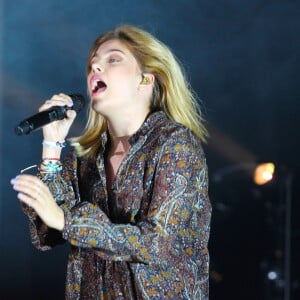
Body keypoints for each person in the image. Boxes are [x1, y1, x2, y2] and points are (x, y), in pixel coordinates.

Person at [11, 24, 211, 299]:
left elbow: (157, 243)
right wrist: (52, 145)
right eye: (92, 65)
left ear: (146, 78)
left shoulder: (175, 144)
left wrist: (66, 220)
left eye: (113, 60)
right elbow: (48, 234)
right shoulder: (87, 158)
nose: (96, 69)